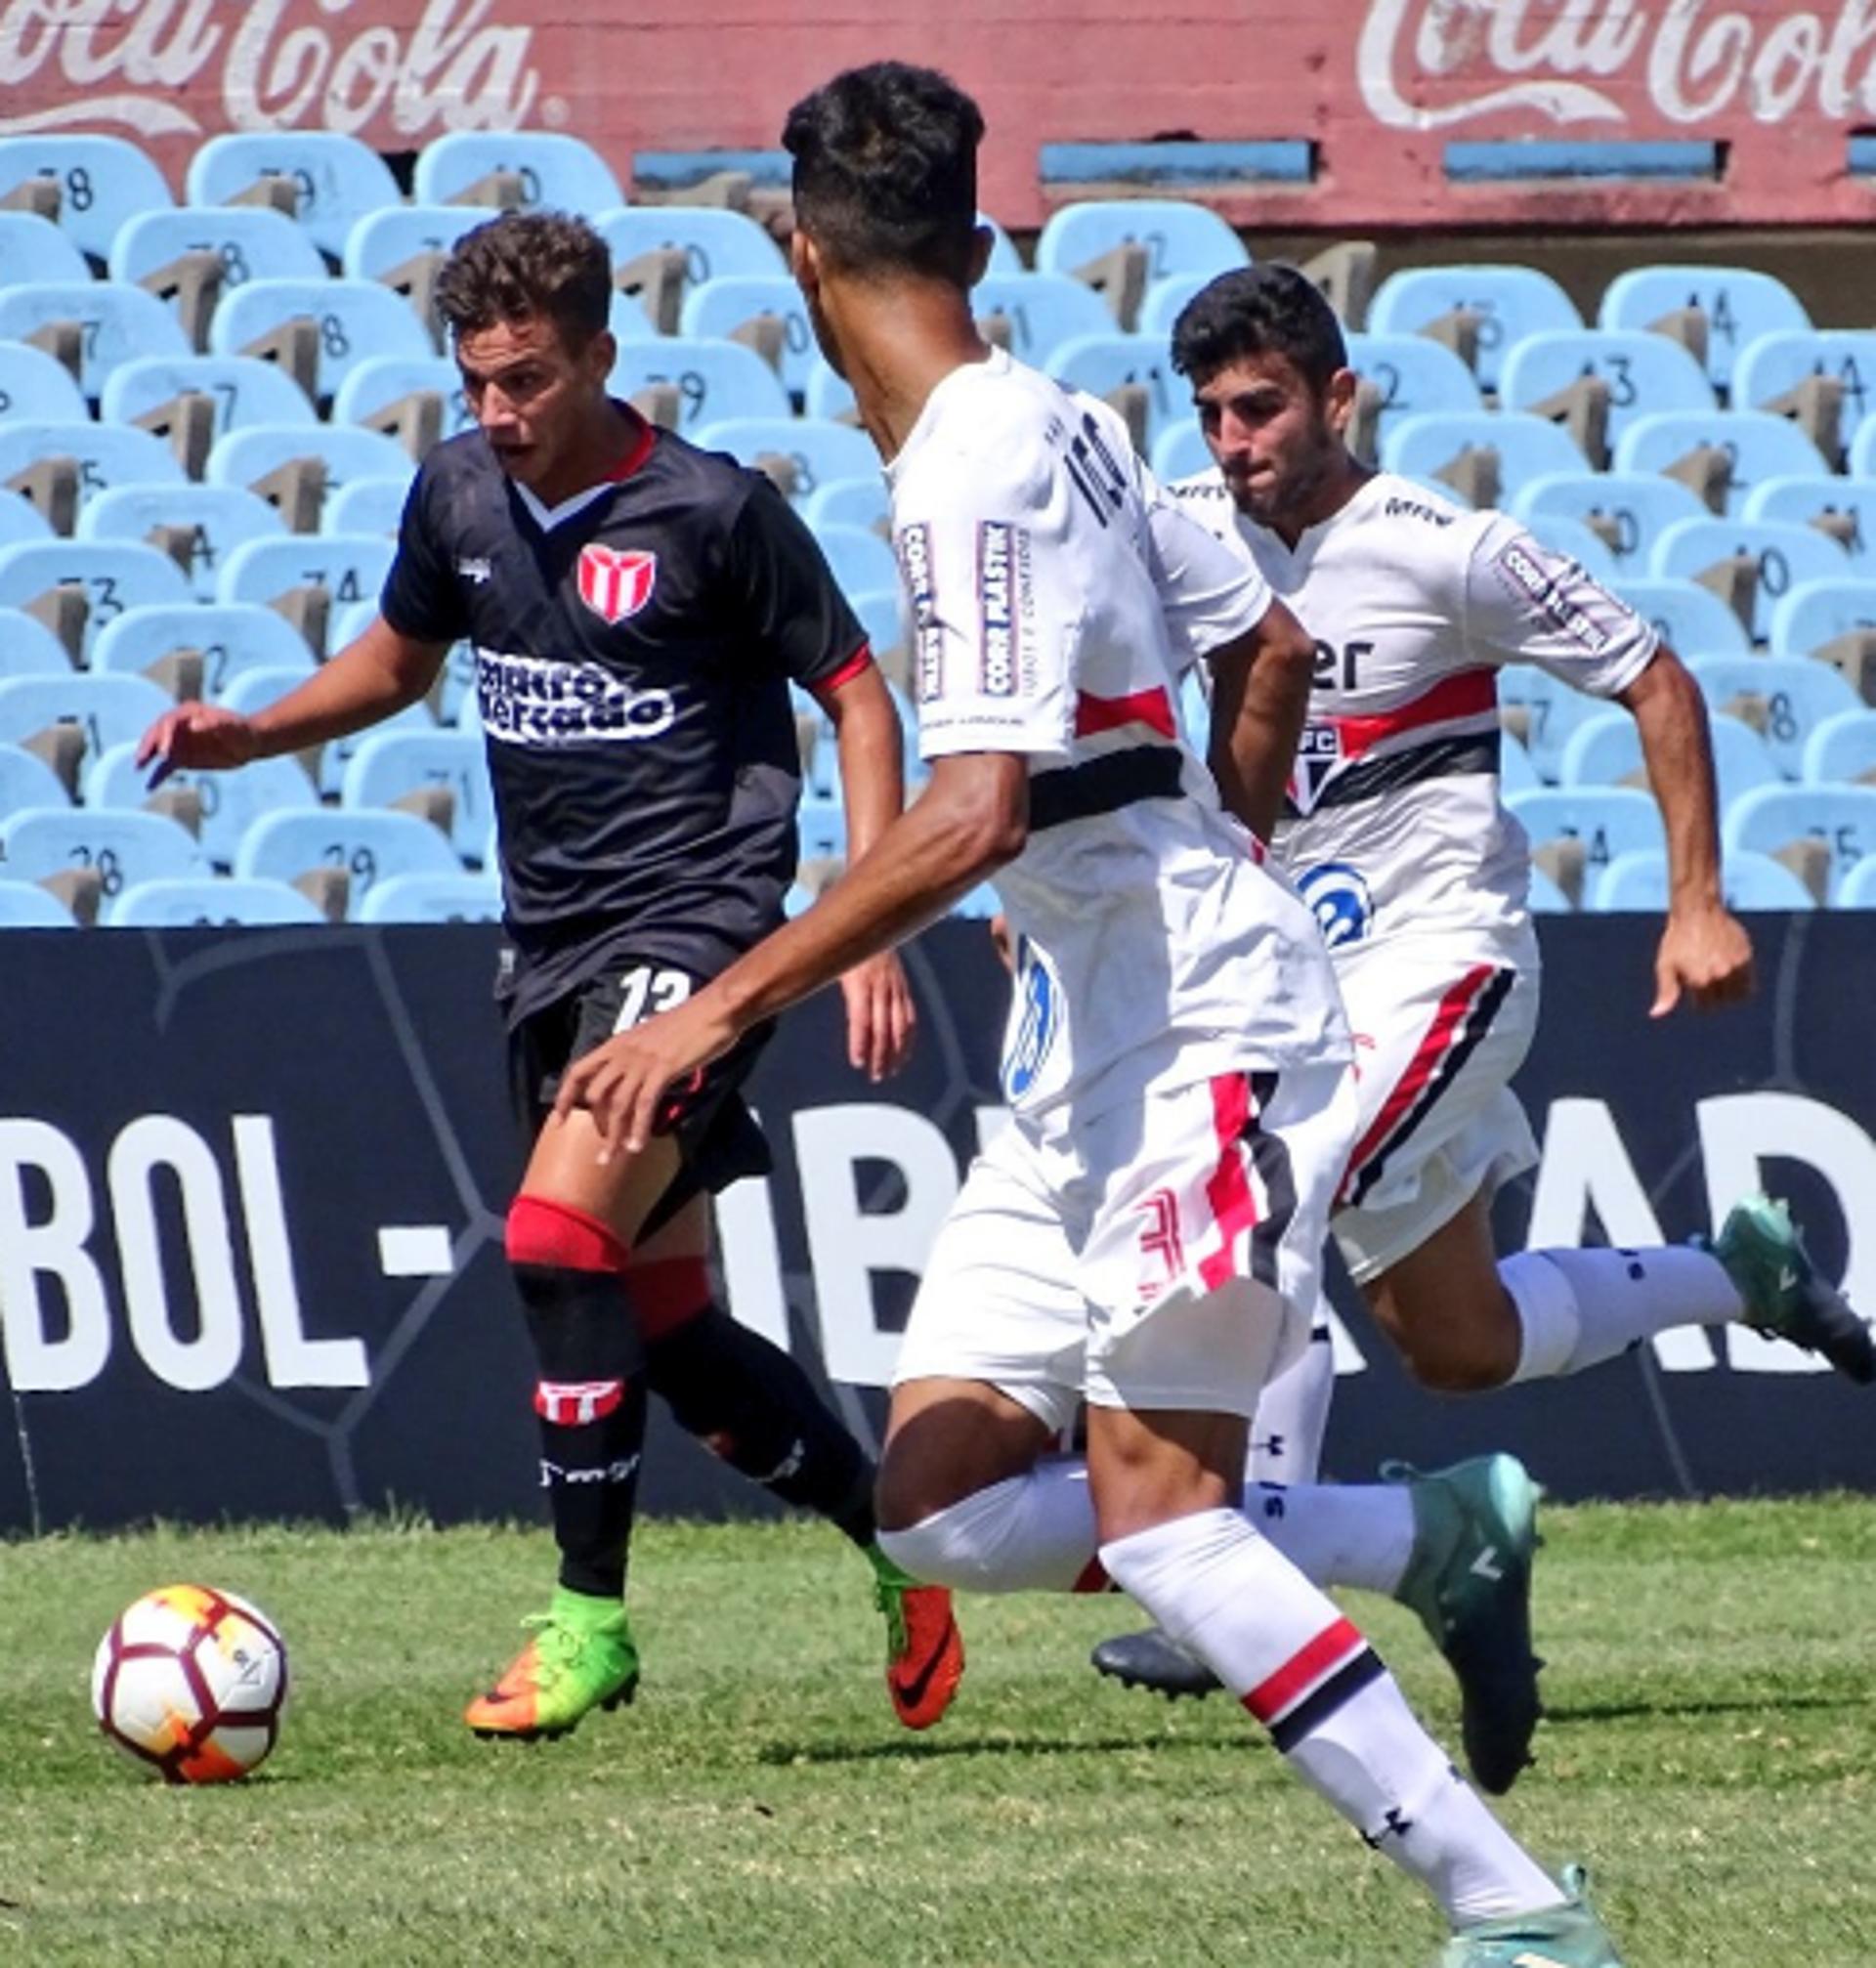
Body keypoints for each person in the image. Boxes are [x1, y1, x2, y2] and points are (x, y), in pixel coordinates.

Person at [556, 62, 1627, 1965]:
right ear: (977, 243)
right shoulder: (1058, 417)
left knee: (1162, 1515)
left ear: (794, 257)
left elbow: (969, 806)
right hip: (1086, 1054)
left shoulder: (971, 454)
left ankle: (1516, 1904)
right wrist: (1208, 820)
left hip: (1195, 1036)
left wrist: (714, 1010)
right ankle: (1430, 1533)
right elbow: (1269, 643)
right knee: (942, 1504)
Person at [135, 210, 966, 1743]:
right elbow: (397, 660)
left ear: (599, 353)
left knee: (549, 1235)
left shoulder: (713, 512)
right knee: (666, 1329)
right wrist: (252, 733)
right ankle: (907, 1552)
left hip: (703, 929)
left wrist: (866, 918)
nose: (499, 414)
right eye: (477, 384)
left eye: (526, 381)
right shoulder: (458, 488)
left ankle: (588, 1623)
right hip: (551, 947)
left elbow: (855, 692)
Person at [1091, 263, 1874, 1715]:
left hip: (1443, 957)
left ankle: (1237, 1576)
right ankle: (1742, 1272)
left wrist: (1696, 898)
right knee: (1458, 1343)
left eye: (1260, 406)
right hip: (1295, 983)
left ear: (1340, 396)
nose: (1233, 439)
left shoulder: (1445, 548)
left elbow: (1655, 676)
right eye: (1209, 414)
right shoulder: (1192, 536)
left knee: (1281, 1193)